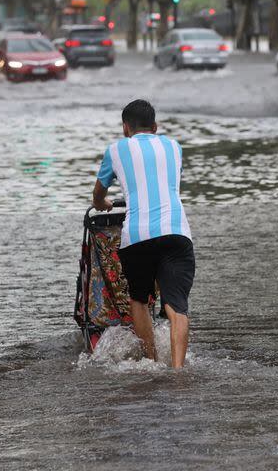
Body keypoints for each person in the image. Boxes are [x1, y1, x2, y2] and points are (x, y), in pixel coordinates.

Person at [92, 99, 195, 368]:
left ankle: (151, 360)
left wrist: (102, 205)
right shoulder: (174, 147)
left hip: (136, 238)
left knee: (139, 299)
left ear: (126, 128)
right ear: (156, 126)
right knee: (177, 307)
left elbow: (98, 195)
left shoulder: (115, 150)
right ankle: (177, 371)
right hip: (176, 233)